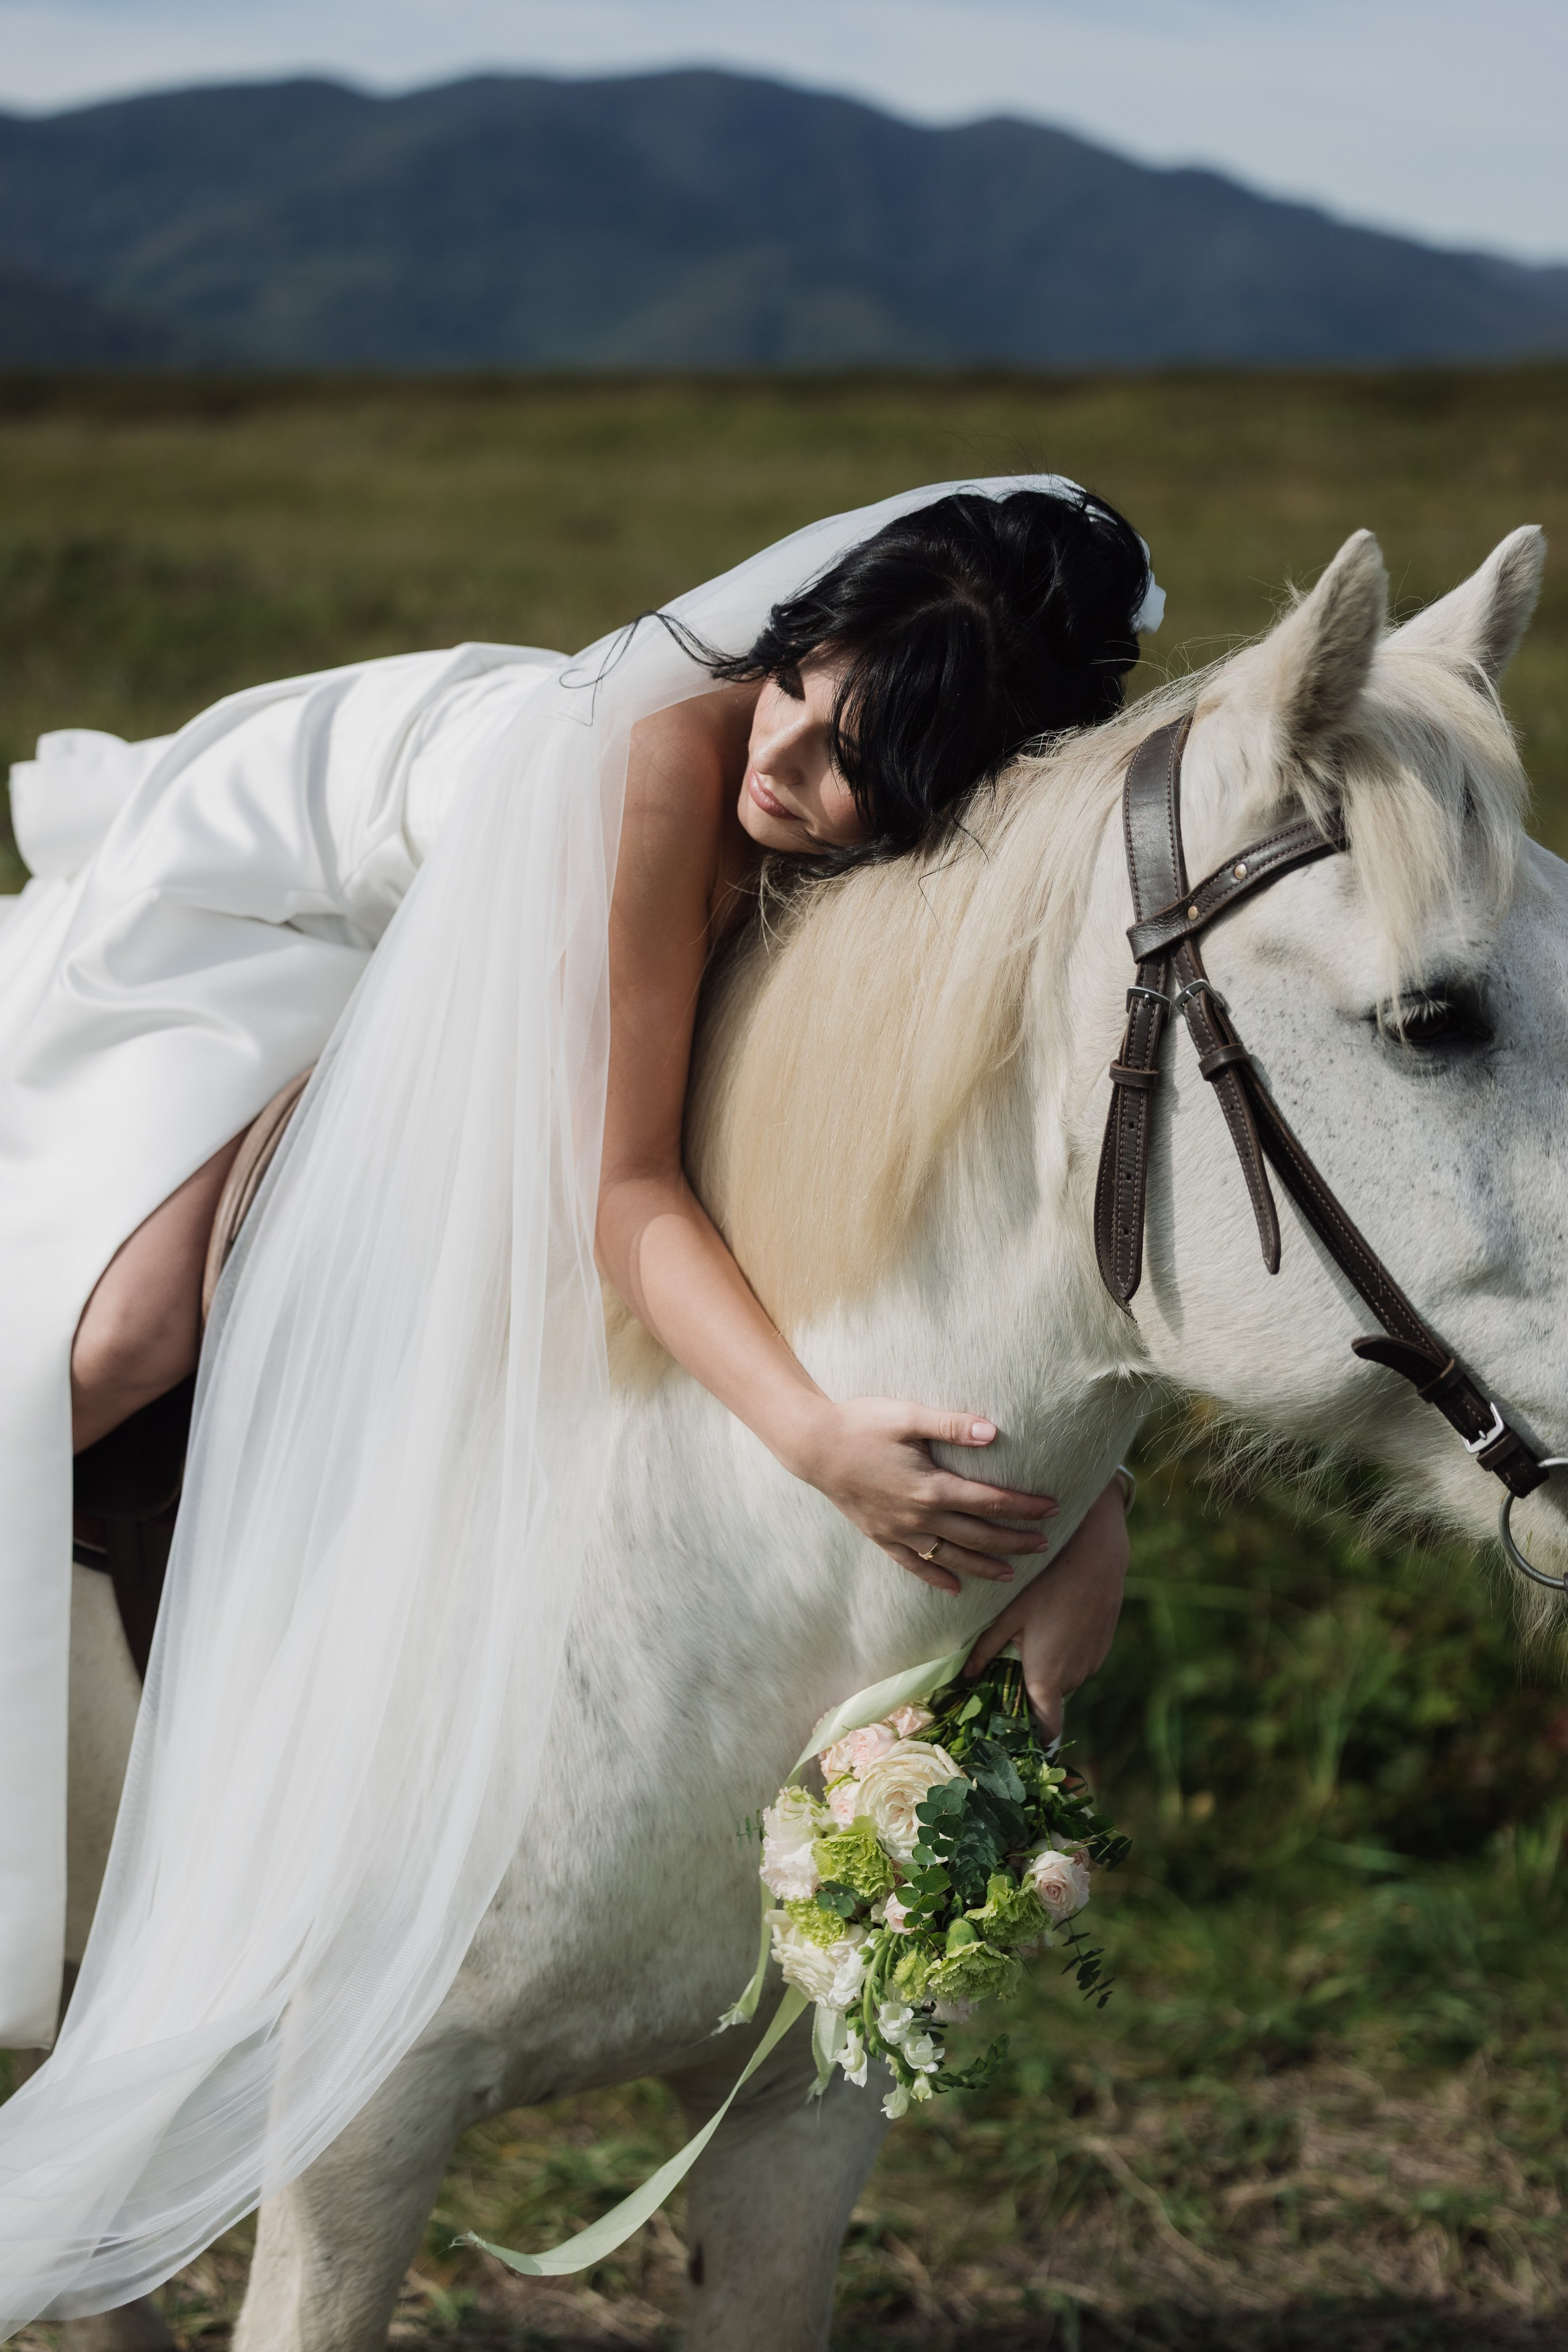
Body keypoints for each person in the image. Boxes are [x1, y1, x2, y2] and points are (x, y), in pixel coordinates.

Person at [0, 476, 1159, 2324]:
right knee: (131, 1324)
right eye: (800, 689)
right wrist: (804, 1433)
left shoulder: (874, 851)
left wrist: (1068, 1522)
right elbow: (627, 1187)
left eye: (862, 761)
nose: (793, 759)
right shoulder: (666, 783)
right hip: (288, 889)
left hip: (523, 956)